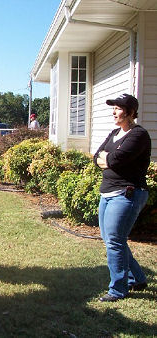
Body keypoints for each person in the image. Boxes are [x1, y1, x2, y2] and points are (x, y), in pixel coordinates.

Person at [93, 93, 151, 302]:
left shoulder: (138, 135)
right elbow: (96, 157)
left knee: (115, 241)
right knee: (111, 239)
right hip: (107, 192)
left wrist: (109, 159)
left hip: (128, 193)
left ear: (130, 112)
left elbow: (116, 159)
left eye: (118, 108)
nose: (114, 112)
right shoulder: (115, 133)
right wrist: (107, 159)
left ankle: (118, 288)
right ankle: (137, 277)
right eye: (114, 108)